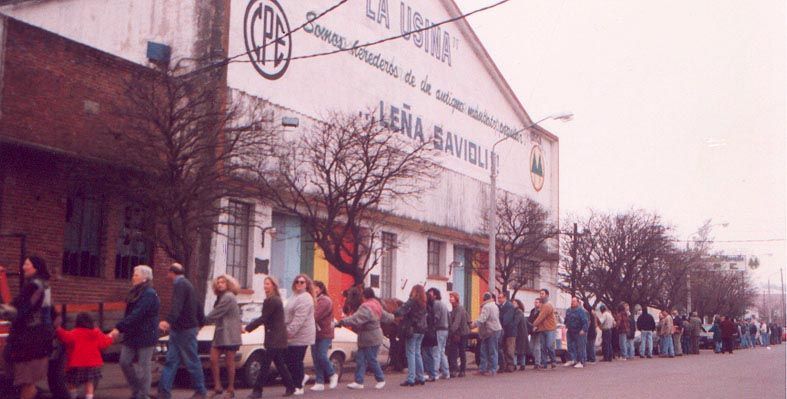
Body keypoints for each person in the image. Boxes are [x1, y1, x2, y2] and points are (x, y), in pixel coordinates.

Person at [4, 256, 55, 399]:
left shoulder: (35, 286)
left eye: (27, 264)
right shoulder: (43, 285)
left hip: (29, 340)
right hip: (37, 338)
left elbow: (23, 309)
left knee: (26, 381)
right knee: (27, 381)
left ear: (36, 267)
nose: (23, 267)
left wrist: (5, 311)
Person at [110, 265, 160, 399]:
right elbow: (131, 314)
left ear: (145, 278)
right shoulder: (135, 292)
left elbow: (138, 314)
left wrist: (119, 327)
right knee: (124, 362)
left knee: (144, 366)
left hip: (146, 335)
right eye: (134, 274)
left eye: (136, 275)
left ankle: (142, 395)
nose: (133, 277)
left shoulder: (149, 293)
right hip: (132, 334)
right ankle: (137, 390)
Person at [158, 263, 207, 399]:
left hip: (183, 329)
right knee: (173, 360)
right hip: (185, 329)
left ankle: (201, 391)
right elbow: (198, 304)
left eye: (168, 272)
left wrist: (168, 321)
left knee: (188, 360)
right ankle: (164, 392)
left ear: (172, 273)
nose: (168, 275)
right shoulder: (189, 285)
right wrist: (201, 322)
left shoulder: (179, 285)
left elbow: (177, 305)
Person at [245, 276, 296, 397]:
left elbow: (264, 318)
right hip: (276, 336)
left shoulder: (272, 300)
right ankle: (291, 386)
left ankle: (257, 390)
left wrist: (247, 328)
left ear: (273, 285)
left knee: (265, 364)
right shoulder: (273, 299)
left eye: (267, 284)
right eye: (264, 284)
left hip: (275, 337)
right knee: (279, 363)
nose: (265, 286)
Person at [336, 287, 392, 390]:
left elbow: (356, 319)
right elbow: (385, 316)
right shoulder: (376, 304)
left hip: (370, 339)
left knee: (371, 359)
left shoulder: (366, 307)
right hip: (372, 338)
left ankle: (381, 379)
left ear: (364, 296)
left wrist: (342, 321)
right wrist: (393, 317)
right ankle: (359, 382)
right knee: (360, 359)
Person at [56, 312, 113, 399]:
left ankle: (74, 396)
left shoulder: (74, 333)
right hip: (93, 364)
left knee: (71, 382)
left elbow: (64, 337)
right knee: (89, 383)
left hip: (76, 364)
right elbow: (104, 343)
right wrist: (111, 336)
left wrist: (58, 328)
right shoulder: (96, 333)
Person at [206, 275, 243, 398]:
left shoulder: (228, 297)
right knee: (213, 359)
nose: (220, 284)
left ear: (228, 284)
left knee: (229, 362)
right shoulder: (220, 297)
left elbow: (216, 313)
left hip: (230, 333)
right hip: (220, 333)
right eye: (218, 282)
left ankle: (231, 389)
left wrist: (201, 320)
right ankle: (217, 386)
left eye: (223, 282)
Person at [285, 274, 316, 395]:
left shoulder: (305, 298)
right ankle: (301, 378)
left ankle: (299, 386)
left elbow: (299, 319)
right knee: (291, 360)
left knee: (296, 360)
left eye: (302, 282)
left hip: (302, 334)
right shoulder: (294, 296)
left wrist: (289, 332)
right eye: (297, 281)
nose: (299, 283)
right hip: (292, 334)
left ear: (307, 285)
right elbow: (288, 314)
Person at [396, 284, 428, 387]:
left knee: (410, 353)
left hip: (412, 330)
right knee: (417, 353)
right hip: (421, 330)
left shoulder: (411, 302)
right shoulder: (424, 304)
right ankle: (421, 377)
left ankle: (411, 378)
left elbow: (400, 311)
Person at [310, 280, 338, 391]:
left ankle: (332, 374)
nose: (313, 290)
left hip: (325, 333)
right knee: (316, 358)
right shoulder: (314, 300)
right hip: (315, 333)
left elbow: (315, 316)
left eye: (315, 287)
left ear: (320, 289)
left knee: (321, 355)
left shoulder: (325, 301)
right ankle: (319, 382)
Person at [472, 292, 502, 375]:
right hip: (495, 329)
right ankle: (488, 369)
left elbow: (482, 319)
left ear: (484, 299)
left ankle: (490, 370)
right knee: (488, 349)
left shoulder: (486, 306)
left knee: (488, 350)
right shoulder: (495, 305)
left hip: (490, 330)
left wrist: (473, 325)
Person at [426, 288, 450, 380]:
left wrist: (431, 326)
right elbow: (448, 316)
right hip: (445, 329)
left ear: (435, 295)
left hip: (439, 329)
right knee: (441, 351)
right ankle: (445, 372)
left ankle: (434, 373)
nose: (429, 296)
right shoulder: (443, 304)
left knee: (436, 351)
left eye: (430, 294)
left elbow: (436, 317)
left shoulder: (436, 304)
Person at [532, 288, 557, 369]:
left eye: (542, 294)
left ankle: (553, 361)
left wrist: (534, 325)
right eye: (540, 294)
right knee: (543, 347)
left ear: (547, 295)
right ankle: (544, 363)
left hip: (550, 329)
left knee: (549, 346)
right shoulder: (542, 305)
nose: (541, 295)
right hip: (542, 329)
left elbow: (541, 317)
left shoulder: (548, 305)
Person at [447, 292, 469, 378]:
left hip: (462, 333)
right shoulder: (454, 308)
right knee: (453, 351)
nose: (450, 299)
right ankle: (454, 369)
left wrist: (450, 331)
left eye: (452, 297)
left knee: (461, 351)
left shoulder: (459, 308)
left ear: (456, 298)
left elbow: (456, 322)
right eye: (450, 297)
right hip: (457, 333)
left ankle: (462, 370)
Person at [563, 296, 588, 368]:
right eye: (571, 301)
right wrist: (565, 325)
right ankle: (572, 359)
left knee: (580, 347)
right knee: (570, 346)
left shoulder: (581, 311)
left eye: (574, 301)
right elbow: (566, 319)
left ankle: (581, 361)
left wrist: (583, 329)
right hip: (570, 331)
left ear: (578, 302)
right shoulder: (568, 310)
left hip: (579, 331)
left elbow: (585, 321)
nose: (572, 302)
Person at [497, 291, 517, 373]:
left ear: (505, 298)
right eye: (498, 298)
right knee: (504, 349)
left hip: (510, 331)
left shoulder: (509, 306)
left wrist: (500, 324)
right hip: (503, 331)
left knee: (510, 349)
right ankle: (505, 365)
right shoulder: (499, 306)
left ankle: (511, 365)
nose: (499, 299)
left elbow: (506, 319)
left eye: (500, 297)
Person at [513, 299, 529, 371]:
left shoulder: (518, 312)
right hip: (522, 333)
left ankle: (515, 364)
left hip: (519, 333)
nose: (513, 304)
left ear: (518, 304)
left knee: (515, 350)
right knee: (521, 350)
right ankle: (522, 364)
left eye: (514, 303)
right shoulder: (520, 312)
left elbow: (515, 322)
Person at [528, 298, 542, 368]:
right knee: (531, 347)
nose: (536, 303)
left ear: (540, 303)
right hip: (532, 331)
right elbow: (529, 320)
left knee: (537, 347)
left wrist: (537, 327)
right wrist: (530, 328)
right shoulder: (532, 311)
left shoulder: (542, 311)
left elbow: (541, 321)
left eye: (537, 302)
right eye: (535, 302)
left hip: (539, 331)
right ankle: (537, 360)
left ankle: (537, 362)